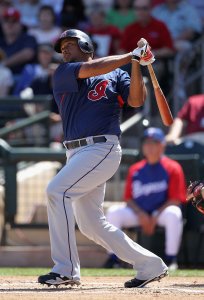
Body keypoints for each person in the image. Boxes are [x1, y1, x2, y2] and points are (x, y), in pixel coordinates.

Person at [37, 28, 168, 289]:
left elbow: (136, 100)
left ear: (85, 44)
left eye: (69, 44)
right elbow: (92, 69)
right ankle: (150, 264)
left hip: (101, 148)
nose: (64, 49)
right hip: (75, 153)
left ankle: (65, 269)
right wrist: (132, 54)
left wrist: (136, 63)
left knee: (57, 191)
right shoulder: (63, 72)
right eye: (61, 46)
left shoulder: (117, 71)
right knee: (90, 224)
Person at [105, 127, 186, 270]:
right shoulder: (135, 169)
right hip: (139, 213)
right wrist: (140, 214)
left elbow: (175, 199)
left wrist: (154, 215)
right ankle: (113, 259)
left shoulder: (173, 167)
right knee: (113, 212)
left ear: (162, 145)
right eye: (146, 143)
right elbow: (129, 199)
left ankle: (171, 259)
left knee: (174, 213)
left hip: (161, 213)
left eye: (154, 143)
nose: (149, 146)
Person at [0, 7, 37, 82]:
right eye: (7, 21)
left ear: (20, 24)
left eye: (14, 21)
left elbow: (28, 54)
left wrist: (4, 64)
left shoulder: (28, 38)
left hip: (23, 78)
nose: (10, 25)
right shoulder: (1, 41)